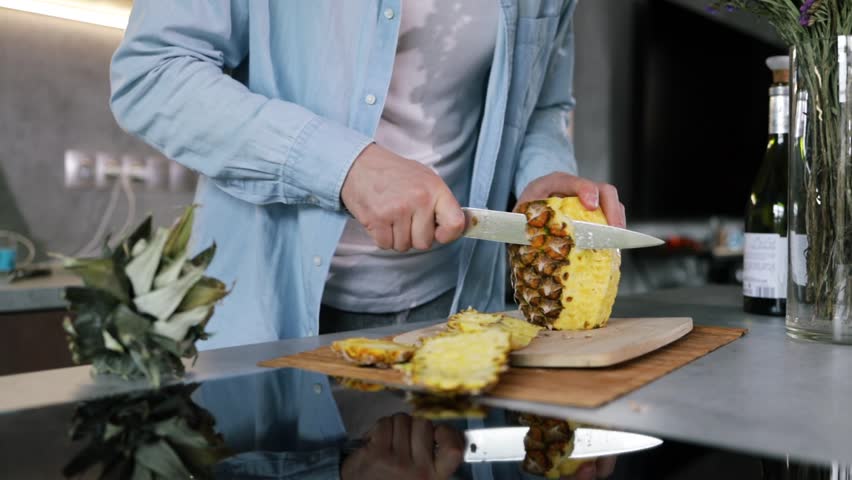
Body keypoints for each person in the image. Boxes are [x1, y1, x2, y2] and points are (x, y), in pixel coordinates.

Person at [110, 1, 623, 478]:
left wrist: (544, 175)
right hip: (268, 325)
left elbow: (542, 106)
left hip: (456, 321)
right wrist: (347, 167)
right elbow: (152, 74)